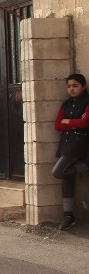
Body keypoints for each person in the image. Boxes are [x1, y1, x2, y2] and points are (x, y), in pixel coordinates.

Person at [53, 73, 89, 231]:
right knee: (66, 176)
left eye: (75, 86)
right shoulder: (66, 104)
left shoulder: (87, 102)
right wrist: (74, 124)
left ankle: (86, 166)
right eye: (69, 86)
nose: (72, 89)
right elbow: (57, 125)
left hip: (79, 144)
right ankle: (69, 215)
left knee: (58, 171)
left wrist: (68, 122)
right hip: (66, 143)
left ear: (83, 86)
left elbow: (85, 122)